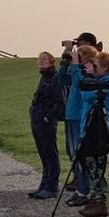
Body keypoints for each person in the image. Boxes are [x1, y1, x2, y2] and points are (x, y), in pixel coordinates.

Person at [76, 51, 109, 217]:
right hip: (90, 127)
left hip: (100, 130)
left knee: (97, 167)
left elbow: (86, 95)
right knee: (89, 162)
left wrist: (88, 76)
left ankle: (100, 200)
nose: (92, 68)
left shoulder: (108, 84)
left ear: (106, 67)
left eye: (95, 66)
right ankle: (94, 198)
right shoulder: (101, 82)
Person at [58, 34, 99, 207]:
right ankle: (80, 189)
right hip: (71, 115)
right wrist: (67, 55)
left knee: (80, 155)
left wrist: (75, 63)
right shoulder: (78, 70)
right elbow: (62, 78)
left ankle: (85, 190)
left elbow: (77, 80)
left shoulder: (88, 74)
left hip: (79, 117)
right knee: (74, 155)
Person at [28, 52, 64, 200]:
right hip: (37, 120)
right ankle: (44, 185)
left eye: (44, 59)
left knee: (50, 154)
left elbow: (58, 101)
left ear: (51, 61)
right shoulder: (44, 78)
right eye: (39, 59)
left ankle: (51, 187)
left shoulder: (55, 78)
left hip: (46, 122)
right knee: (43, 154)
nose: (40, 62)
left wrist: (48, 117)